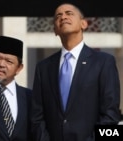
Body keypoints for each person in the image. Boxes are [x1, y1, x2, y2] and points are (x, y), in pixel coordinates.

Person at [31, 3, 121, 141]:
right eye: (58, 16)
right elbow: (37, 116)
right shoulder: (43, 68)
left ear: (83, 24)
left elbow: (111, 115)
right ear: (55, 30)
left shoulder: (103, 62)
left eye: (69, 13)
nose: (63, 17)